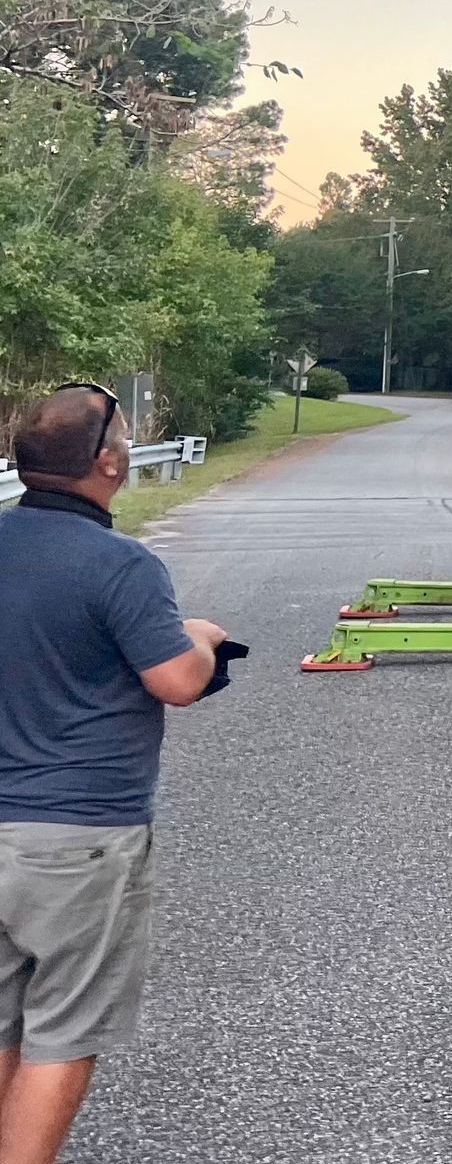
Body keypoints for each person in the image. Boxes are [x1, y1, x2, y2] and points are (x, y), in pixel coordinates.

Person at [0, 384, 226, 1163]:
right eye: (124, 437)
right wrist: (200, 636)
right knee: (60, 1030)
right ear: (107, 463)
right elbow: (178, 680)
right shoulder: (122, 564)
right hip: (80, 836)